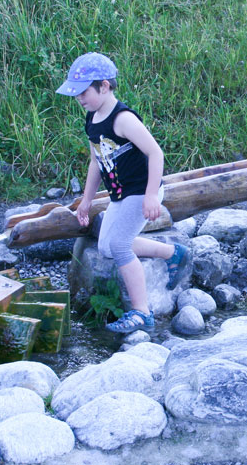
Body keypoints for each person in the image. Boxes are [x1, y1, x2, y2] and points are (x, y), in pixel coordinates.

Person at [56, 52, 189, 333]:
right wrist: (86, 200)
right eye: (75, 93)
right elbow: (96, 161)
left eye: (83, 92)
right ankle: (173, 253)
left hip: (141, 190)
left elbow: (155, 153)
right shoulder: (93, 118)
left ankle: (142, 313)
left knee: (119, 246)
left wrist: (151, 195)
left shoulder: (123, 119)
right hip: (120, 194)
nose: (79, 98)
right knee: (106, 247)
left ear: (104, 86)